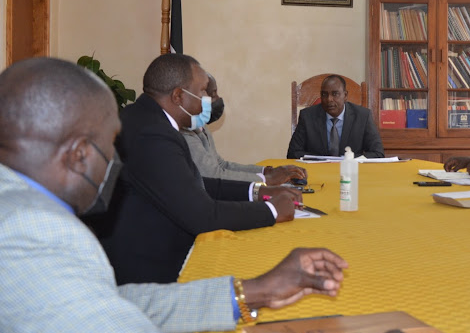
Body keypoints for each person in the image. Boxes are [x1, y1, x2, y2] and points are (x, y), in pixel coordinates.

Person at [0, 57, 348, 333]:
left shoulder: (23, 208)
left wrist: (257, 291)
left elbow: (117, 302)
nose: (116, 161)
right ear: (78, 154)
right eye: (109, 145)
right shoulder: (30, 230)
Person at [90, 54, 302, 285]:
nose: (206, 101)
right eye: (201, 92)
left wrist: (256, 191)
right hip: (151, 270)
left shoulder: (146, 120)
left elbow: (190, 183)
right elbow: (203, 215)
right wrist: (271, 211)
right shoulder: (153, 135)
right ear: (178, 96)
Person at [183, 73, 307, 183]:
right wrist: (266, 180)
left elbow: (221, 165)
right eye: (213, 94)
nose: (217, 99)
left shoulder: (200, 126)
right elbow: (213, 175)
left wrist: (267, 171)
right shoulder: (186, 133)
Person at [287, 74, 384, 159]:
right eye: (324, 94)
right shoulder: (307, 117)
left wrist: (348, 159)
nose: (329, 99)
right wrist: (320, 160)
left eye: (335, 94)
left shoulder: (363, 116)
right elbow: (293, 153)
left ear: (345, 95)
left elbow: (378, 153)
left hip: (350, 172)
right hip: (318, 173)